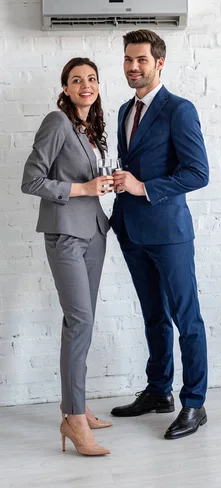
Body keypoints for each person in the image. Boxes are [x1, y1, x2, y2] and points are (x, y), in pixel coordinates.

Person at [110, 29, 209, 440]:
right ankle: (158, 391)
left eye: (142, 61)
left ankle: (194, 403)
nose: (134, 67)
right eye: (129, 60)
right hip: (131, 229)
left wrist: (144, 187)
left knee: (185, 317)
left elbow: (198, 172)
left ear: (159, 63)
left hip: (168, 232)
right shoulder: (122, 110)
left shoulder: (178, 110)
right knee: (153, 315)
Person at [21, 57, 113, 456]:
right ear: (65, 89)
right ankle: (74, 420)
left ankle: (75, 404)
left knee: (81, 324)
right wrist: (83, 189)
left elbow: (88, 181)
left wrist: (104, 185)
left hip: (94, 233)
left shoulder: (89, 128)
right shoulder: (57, 122)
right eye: (77, 80)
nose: (86, 85)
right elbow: (32, 179)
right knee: (81, 322)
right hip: (66, 237)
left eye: (91, 79)